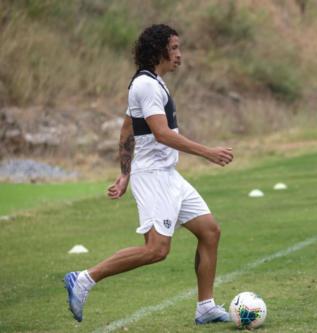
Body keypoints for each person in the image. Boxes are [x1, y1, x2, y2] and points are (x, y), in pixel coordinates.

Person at [64, 24, 234, 324]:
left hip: (167, 174)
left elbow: (128, 128)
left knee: (210, 231)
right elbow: (162, 134)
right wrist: (208, 152)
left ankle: (205, 306)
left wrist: (125, 173)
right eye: (175, 49)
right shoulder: (146, 86)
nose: (180, 55)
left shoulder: (152, 82)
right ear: (159, 52)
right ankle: (85, 279)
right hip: (154, 176)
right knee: (157, 250)